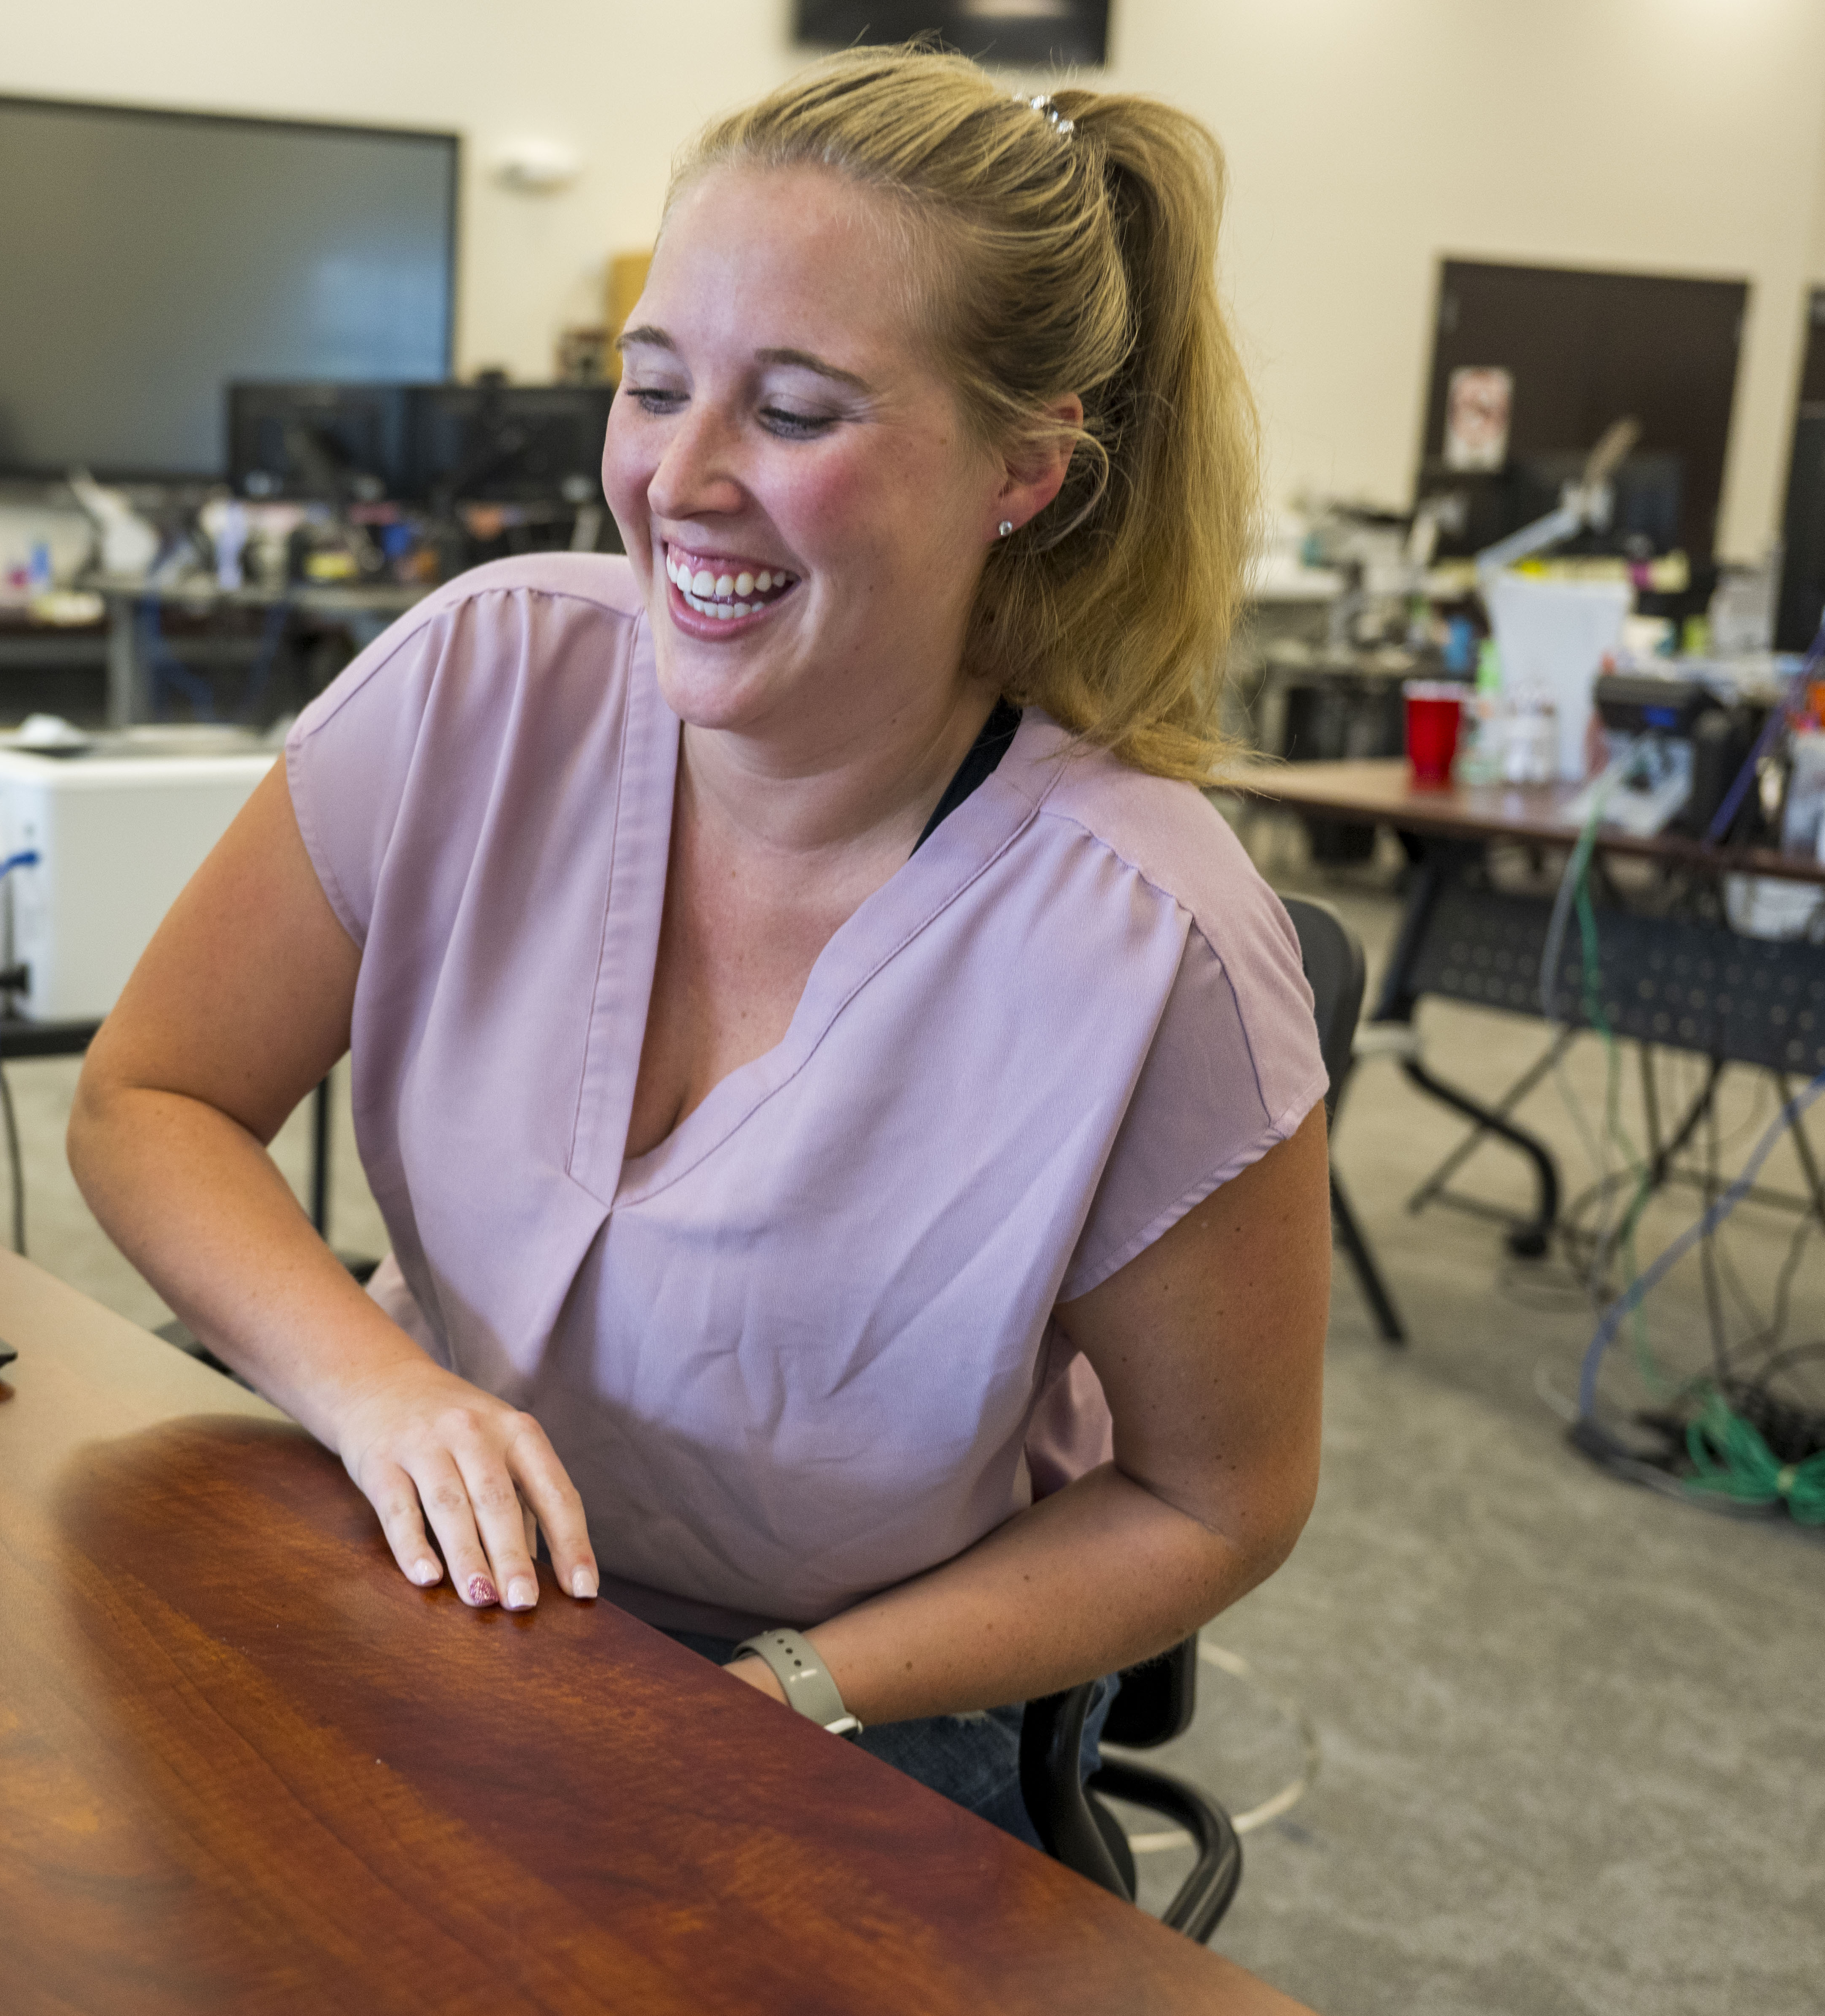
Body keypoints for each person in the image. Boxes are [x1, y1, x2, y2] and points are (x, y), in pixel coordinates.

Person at [69, 44, 1331, 1848]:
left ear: (1022, 467)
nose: (679, 478)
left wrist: (800, 1689)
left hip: (840, 1693)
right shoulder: (478, 678)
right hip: (427, 1566)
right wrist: (377, 1387)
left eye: (798, 412)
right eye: (653, 386)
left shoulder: (1150, 946)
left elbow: (1216, 1503)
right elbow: (153, 1095)